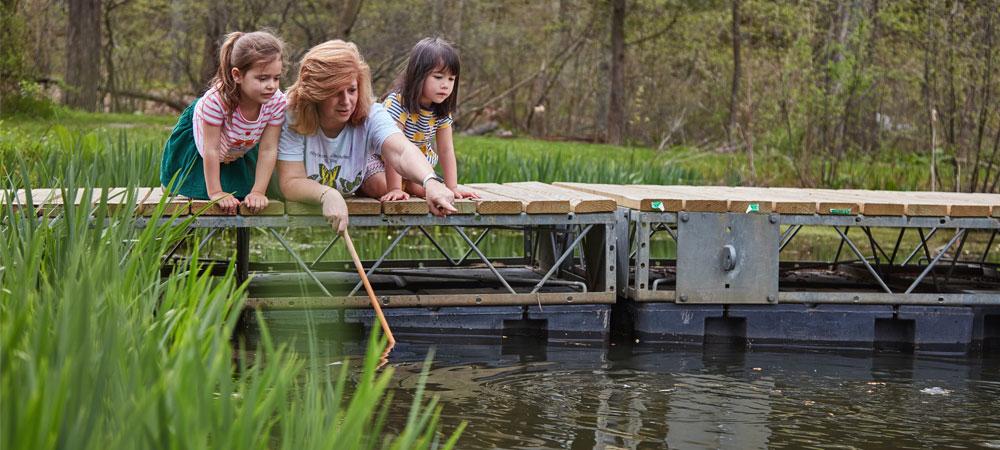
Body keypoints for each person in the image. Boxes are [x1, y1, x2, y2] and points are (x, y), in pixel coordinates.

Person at [276, 40, 457, 233]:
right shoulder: (293, 115)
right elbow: (291, 181)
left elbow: (401, 150)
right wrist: (327, 194)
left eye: (352, 90)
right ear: (316, 92)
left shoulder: (371, 114)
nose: (346, 102)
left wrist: (430, 181)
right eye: (335, 92)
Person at [159, 30, 286, 215]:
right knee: (199, 192)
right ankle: (175, 183)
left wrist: (258, 191)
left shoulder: (276, 101)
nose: (272, 86)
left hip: (239, 145)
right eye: (262, 78)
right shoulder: (216, 101)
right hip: (203, 143)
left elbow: (268, 148)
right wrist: (216, 192)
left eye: (277, 78)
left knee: (242, 193)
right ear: (237, 75)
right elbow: (211, 149)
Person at [379, 37, 479, 201]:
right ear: (417, 75)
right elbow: (392, 150)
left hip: (415, 167)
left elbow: (446, 149)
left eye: (451, 79)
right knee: (380, 187)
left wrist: (452, 187)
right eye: (438, 77)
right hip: (383, 163)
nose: (445, 85)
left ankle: (410, 185)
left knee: (438, 192)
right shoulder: (398, 104)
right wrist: (395, 189)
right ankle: (401, 186)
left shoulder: (441, 110)